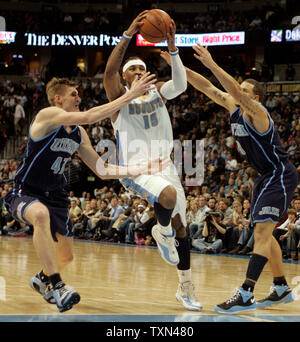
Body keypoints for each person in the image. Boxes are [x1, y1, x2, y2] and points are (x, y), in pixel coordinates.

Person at [3, 74, 161, 313]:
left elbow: (102, 169)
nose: (79, 97)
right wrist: (130, 95)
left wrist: (141, 169)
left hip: (55, 195)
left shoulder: (78, 133)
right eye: (73, 94)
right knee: (40, 214)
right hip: (26, 190)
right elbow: (89, 116)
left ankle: (42, 279)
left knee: (64, 258)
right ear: (58, 99)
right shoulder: (47, 116)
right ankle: (58, 286)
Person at [161, 43, 298, 313]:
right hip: (263, 177)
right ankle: (281, 286)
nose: (237, 94)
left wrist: (211, 63)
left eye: (245, 91)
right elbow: (206, 87)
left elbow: (231, 90)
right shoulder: (233, 106)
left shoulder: (259, 113)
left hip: (279, 174)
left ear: (255, 97)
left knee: (261, 232)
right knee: (265, 234)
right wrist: (179, 65)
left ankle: (246, 292)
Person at [103, 10, 202, 311]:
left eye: (140, 69)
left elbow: (181, 85)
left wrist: (173, 48)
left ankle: (185, 287)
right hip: (135, 171)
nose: (137, 73)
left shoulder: (159, 93)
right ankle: (161, 231)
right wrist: (128, 34)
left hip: (166, 167)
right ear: (124, 77)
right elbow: (108, 74)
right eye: (131, 70)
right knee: (168, 198)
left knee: (182, 227)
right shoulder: (119, 100)